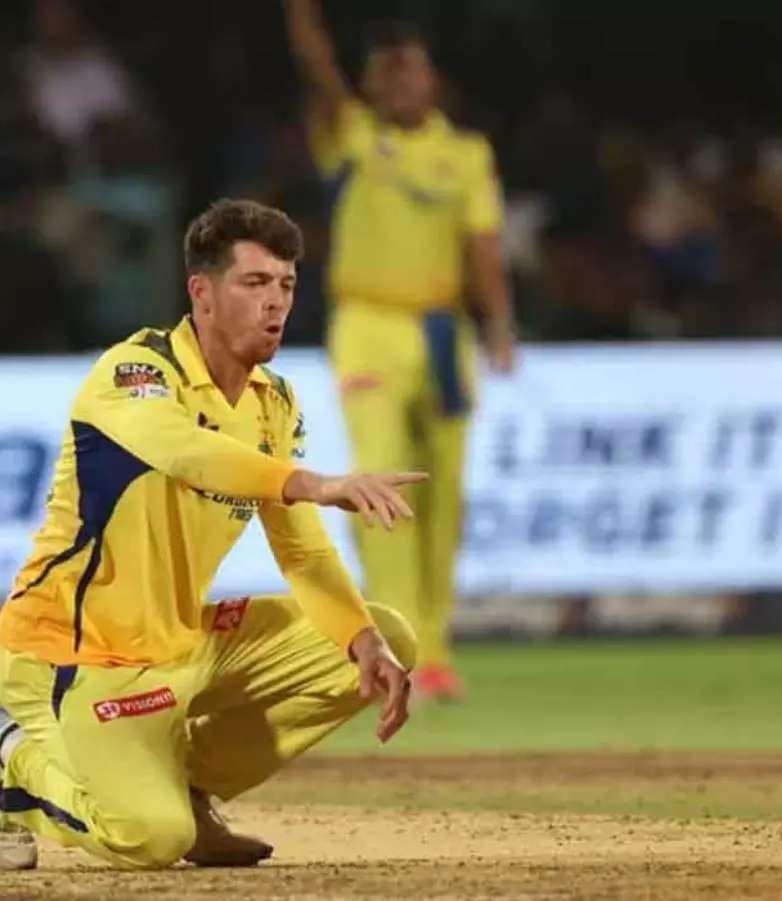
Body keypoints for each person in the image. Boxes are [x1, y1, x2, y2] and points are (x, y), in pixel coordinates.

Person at [0, 199, 422, 870]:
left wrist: (364, 643)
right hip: (75, 658)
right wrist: (312, 482)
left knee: (381, 637)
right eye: (254, 282)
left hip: (179, 645)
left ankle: (190, 788)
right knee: (151, 839)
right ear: (201, 292)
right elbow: (186, 451)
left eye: (286, 284)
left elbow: (303, 552)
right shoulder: (135, 372)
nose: (275, 302)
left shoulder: (273, 401)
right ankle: (11, 756)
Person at [284, 0, 515, 701]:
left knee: (442, 493)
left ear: (433, 80)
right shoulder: (353, 135)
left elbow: (483, 244)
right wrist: (303, 20)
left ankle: (436, 649)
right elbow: (318, 72)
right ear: (370, 85)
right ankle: (395, 642)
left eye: (411, 67)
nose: (400, 80)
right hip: (367, 326)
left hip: (444, 331)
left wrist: (500, 321)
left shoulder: (466, 154)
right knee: (381, 481)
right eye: (385, 70)